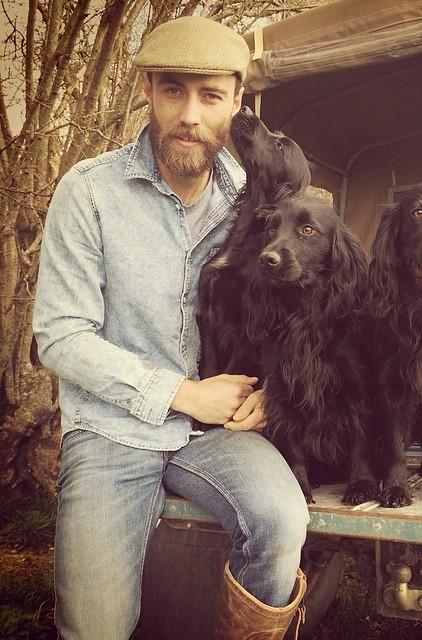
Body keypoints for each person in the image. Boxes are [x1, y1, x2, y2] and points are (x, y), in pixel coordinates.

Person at [33, 16, 309, 640]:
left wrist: (272, 390)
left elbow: (286, 314)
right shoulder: (90, 192)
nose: (190, 114)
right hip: (110, 430)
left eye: (210, 96)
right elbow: (62, 336)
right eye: (173, 91)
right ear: (149, 93)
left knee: (281, 518)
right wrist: (183, 393)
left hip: (211, 433)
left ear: (236, 103)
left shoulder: (252, 201)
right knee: (96, 626)